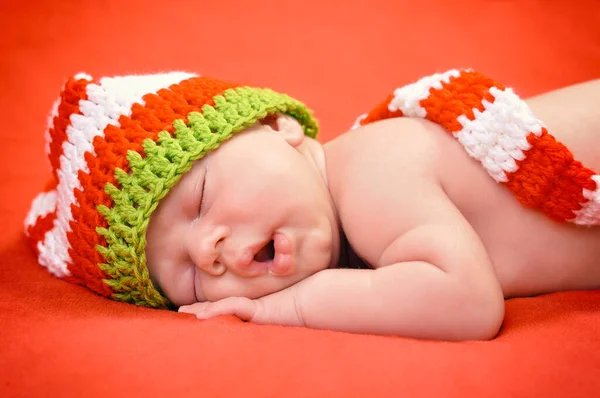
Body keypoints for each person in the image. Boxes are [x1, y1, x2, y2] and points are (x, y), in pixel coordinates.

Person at [25, 70, 600, 341]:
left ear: (278, 128)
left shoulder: (370, 170)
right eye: (189, 280)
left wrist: (291, 308)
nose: (208, 251)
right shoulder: (350, 234)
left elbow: (468, 304)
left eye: (199, 198)